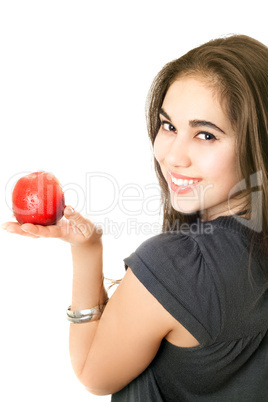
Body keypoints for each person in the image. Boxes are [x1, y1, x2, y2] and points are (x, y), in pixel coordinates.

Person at [3, 34, 268, 401]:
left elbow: (93, 375)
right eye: (169, 126)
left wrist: (87, 251)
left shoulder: (177, 265)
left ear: (258, 141)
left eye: (206, 135)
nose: (174, 155)